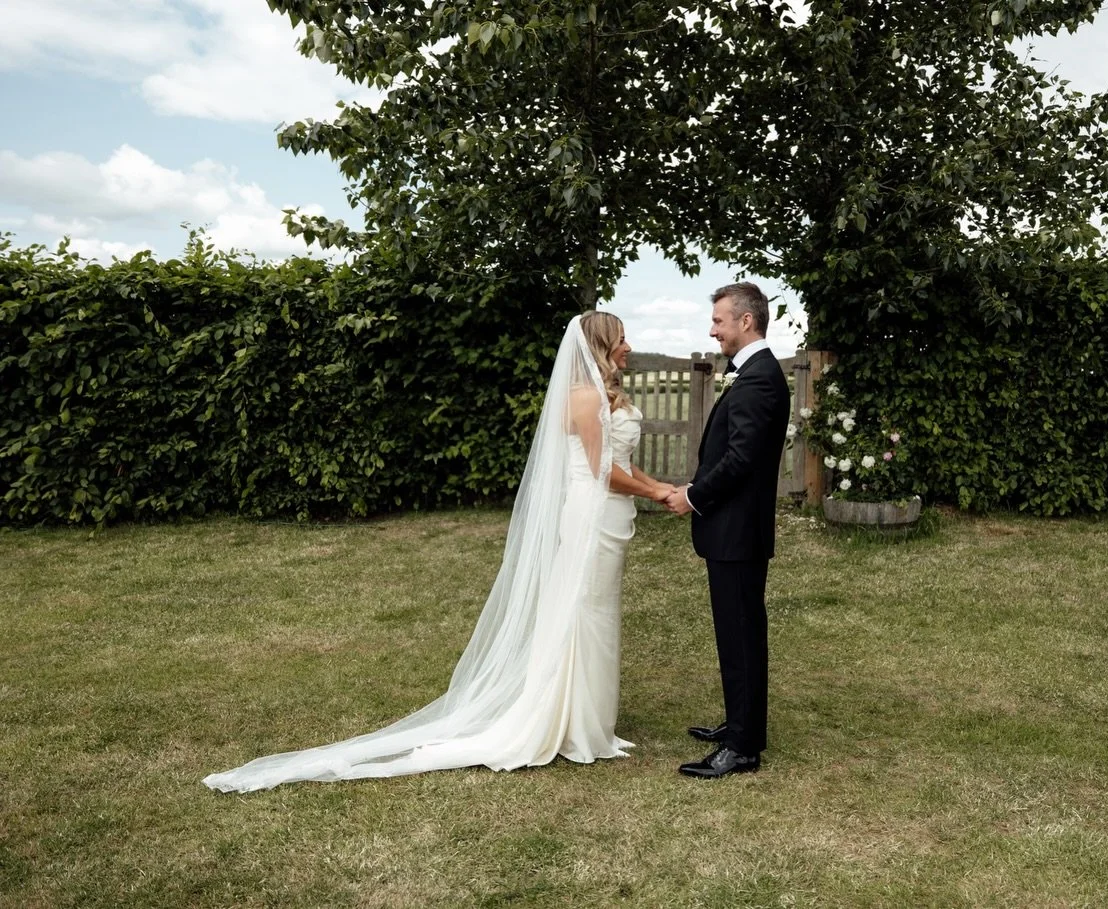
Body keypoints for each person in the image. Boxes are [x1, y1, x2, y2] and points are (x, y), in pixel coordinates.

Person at [203, 312, 674, 792]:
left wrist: (663, 487)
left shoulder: (602, 394)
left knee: (595, 612)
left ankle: (589, 720)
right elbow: (600, 473)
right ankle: (572, 724)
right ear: (600, 343)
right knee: (581, 613)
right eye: (620, 338)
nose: (628, 345)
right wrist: (659, 494)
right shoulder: (585, 397)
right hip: (591, 515)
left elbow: (621, 464)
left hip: (609, 515)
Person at [664, 282, 790, 778]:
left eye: (718, 320)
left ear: (746, 321)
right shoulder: (756, 373)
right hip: (735, 529)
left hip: (736, 531)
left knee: (740, 634)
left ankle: (742, 748)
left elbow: (740, 460)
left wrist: (693, 495)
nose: (712, 329)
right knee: (739, 632)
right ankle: (742, 725)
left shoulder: (759, 379)